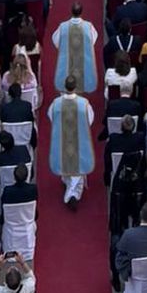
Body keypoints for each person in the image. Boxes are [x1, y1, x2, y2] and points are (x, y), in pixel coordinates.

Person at [47, 73, 95, 208]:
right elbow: (89, 120)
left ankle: (71, 192)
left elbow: (51, 116)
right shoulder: (84, 103)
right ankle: (71, 192)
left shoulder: (57, 103)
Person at [53, 2, 99, 90]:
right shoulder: (88, 26)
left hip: (68, 58)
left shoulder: (63, 26)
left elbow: (56, 40)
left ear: (71, 12)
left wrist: (63, 48)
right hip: (82, 58)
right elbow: (93, 40)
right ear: (81, 13)